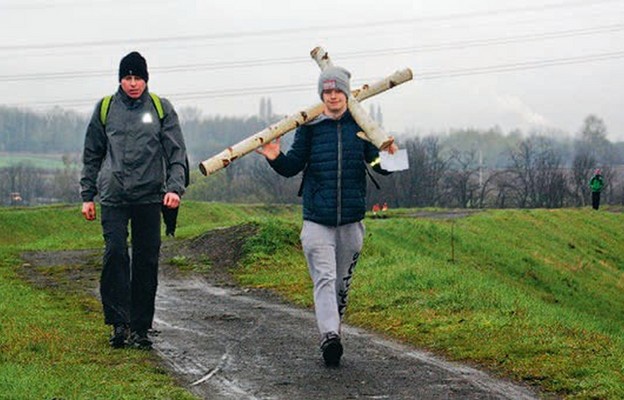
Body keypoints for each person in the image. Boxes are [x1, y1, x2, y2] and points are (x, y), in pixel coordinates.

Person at [256, 65, 396, 367]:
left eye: (337, 91)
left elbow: (377, 163)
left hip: (351, 220)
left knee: (340, 286)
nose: (332, 96)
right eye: (327, 91)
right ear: (321, 95)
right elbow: (292, 165)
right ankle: (330, 336)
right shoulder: (309, 126)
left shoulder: (360, 125)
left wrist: (390, 154)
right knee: (324, 278)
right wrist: (275, 157)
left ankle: (334, 329)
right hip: (317, 219)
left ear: (346, 94)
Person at [80, 51, 188, 349]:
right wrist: (87, 195)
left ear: (146, 79)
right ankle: (118, 323)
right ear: (120, 80)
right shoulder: (105, 109)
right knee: (115, 253)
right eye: (127, 78)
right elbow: (92, 155)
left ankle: (140, 327)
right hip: (113, 195)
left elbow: (177, 154)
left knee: (146, 260)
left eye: (137, 77)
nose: (132, 83)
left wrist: (175, 189)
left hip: (150, 197)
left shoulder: (160, 109)